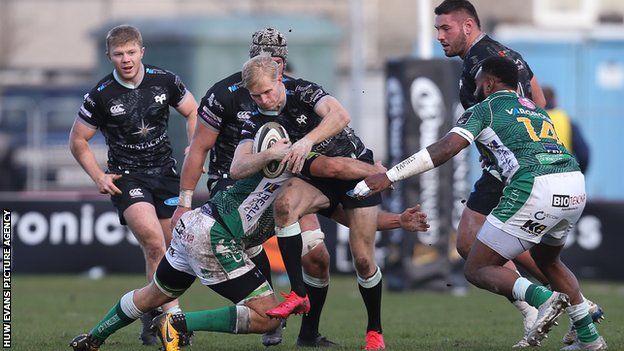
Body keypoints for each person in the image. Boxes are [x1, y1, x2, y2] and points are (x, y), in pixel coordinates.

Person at [68, 141, 429, 351]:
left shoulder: (314, 191)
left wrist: (400, 221)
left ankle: (93, 338)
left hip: (196, 225)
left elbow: (354, 219)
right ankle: (175, 324)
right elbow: (334, 166)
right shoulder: (298, 167)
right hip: (216, 236)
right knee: (266, 317)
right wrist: (378, 171)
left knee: (153, 293)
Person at [353, 56, 607, 350]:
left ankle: (543, 299)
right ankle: (589, 338)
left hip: (536, 184)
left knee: (477, 266)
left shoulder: (485, 108)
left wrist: (390, 175)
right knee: (549, 261)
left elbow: (445, 148)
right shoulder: (537, 110)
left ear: (488, 83)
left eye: (477, 82)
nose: (473, 88)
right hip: (574, 183)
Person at [431, 1, 606, 347]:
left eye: (445, 28)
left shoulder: (482, 62)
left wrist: (510, 145)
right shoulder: (503, 53)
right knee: (527, 252)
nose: (439, 36)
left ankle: (541, 305)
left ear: (468, 27)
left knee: (474, 250)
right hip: (526, 164)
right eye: (437, 29)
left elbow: (463, 136)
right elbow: (537, 96)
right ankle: (575, 309)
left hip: (511, 168)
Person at [170, 27, 345, 347]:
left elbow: (335, 117)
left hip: (286, 183)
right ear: (253, 59)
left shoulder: (298, 92)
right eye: (266, 59)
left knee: (317, 255)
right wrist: (183, 200)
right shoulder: (224, 93)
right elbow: (198, 149)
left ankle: (308, 333)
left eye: (279, 60)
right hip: (234, 186)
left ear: (284, 63)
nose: (274, 65)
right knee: (247, 252)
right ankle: (268, 318)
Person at [230, 54, 386, 350]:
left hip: (356, 171)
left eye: (268, 92)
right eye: (256, 95)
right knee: (284, 206)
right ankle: (298, 293)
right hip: (318, 178)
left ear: (279, 79)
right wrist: (268, 155)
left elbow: (340, 116)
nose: (264, 100)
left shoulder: (303, 90)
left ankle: (374, 330)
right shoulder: (255, 116)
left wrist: (306, 141)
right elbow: (237, 168)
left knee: (363, 260)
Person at [68, 24, 198, 345]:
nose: (125, 59)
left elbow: (193, 111)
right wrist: (98, 175)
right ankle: (173, 321)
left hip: (166, 174)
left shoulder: (165, 80)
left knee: (175, 250)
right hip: (127, 178)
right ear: (109, 56)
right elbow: (78, 140)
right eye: (118, 54)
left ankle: (151, 315)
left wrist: (194, 145)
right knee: (154, 244)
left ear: (142, 51)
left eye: (130, 52)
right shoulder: (101, 95)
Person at [543, 86, 590, 173]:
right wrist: (579, 173)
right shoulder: (566, 120)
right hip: (564, 173)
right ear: (554, 100)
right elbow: (584, 154)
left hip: (539, 174)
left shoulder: (532, 119)